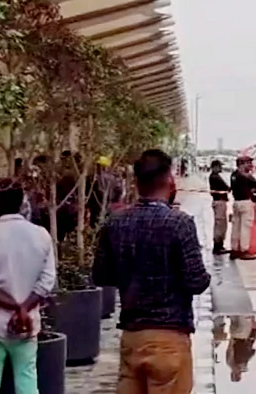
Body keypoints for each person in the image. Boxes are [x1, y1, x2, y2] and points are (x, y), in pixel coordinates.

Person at [93, 149, 211, 394]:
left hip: (132, 336)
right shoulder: (180, 223)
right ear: (170, 180)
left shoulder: (115, 222)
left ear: (136, 183)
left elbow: (102, 276)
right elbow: (196, 281)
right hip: (169, 337)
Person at [0, 178, 56, 394]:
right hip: (28, 324)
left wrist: (13, 307)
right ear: (21, 203)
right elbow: (47, 281)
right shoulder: (41, 235)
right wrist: (23, 309)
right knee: (27, 381)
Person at [229, 156, 256, 261]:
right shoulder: (246, 177)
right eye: (248, 163)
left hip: (237, 202)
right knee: (245, 227)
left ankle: (234, 249)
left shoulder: (233, 175)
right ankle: (244, 250)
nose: (251, 165)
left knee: (236, 227)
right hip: (246, 202)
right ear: (242, 164)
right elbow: (255, 188)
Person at [209, 160, 231, 255]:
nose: (221, 168)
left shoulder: (214, 177)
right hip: (219, 202)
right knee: (220, 225)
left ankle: (219, 245)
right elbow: (226, 188)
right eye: (219, 166)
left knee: (221, 224)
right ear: (215, 167)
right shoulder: (215, 177)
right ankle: (218, 246)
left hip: (219, 202)